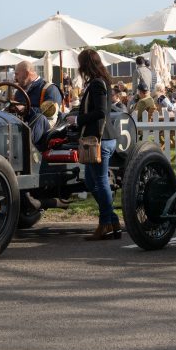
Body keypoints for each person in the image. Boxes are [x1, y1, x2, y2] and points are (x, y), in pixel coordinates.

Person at [66, 49, 120, 241]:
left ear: (86, 65)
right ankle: (112, 219)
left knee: (100, 181)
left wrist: (78, 119)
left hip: (100, 139)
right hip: (103, 138)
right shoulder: (100, 81)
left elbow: (100, 112)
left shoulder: (97, 84)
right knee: (91, 180)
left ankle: (105, 223)